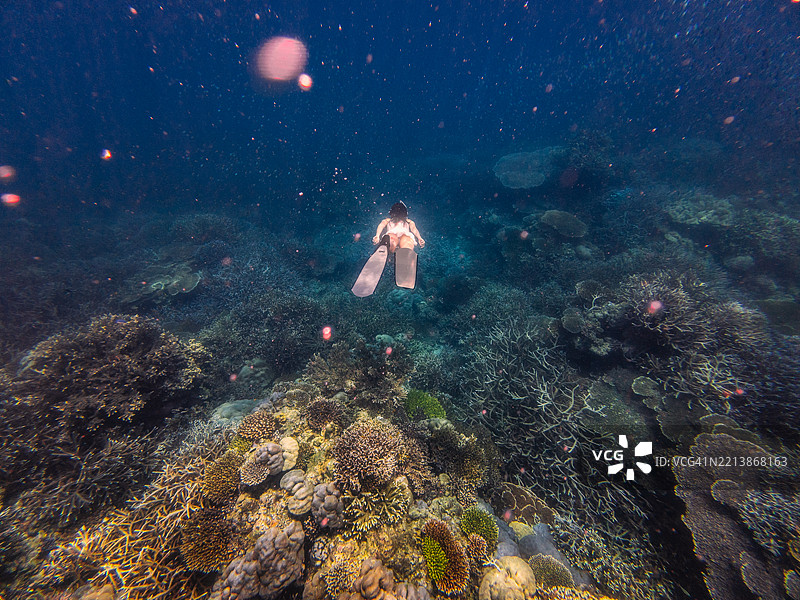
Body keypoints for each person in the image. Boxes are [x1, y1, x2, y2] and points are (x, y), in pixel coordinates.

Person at [352, 201, 425, 297]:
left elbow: (414, 229)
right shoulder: (390, 220)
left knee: (403, 240)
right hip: (394, 235)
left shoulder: (408, 222)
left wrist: (419, 238)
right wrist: (377, 235)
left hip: (402, 235)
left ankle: (389, 247)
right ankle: (391, 247)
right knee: (396, 239)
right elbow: (381, 225)